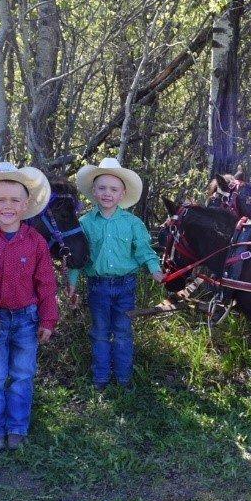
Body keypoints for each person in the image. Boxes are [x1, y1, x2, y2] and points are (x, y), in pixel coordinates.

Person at [0, 162, 59, 450]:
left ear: (26, 204)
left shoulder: (36, 242)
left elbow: (46, 284)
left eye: (15, 200)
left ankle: (17, 427)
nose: (8, 206)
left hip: (27, 319)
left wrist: (48, 319)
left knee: (22, 374)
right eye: (1, 200)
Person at [67, 158, 163, 391]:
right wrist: (71, 285)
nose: (107, 194)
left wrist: (155, 269)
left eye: (113, 189)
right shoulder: (85, 223)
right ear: (94, 192)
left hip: (126, 286)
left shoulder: (132, 223)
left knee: (122, 332)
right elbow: (77, 258)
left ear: (122, 194)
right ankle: (100, 377)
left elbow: (143, 250)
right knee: (100, 332)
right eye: (102, 188)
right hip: (97, 286)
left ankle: (124, 378)